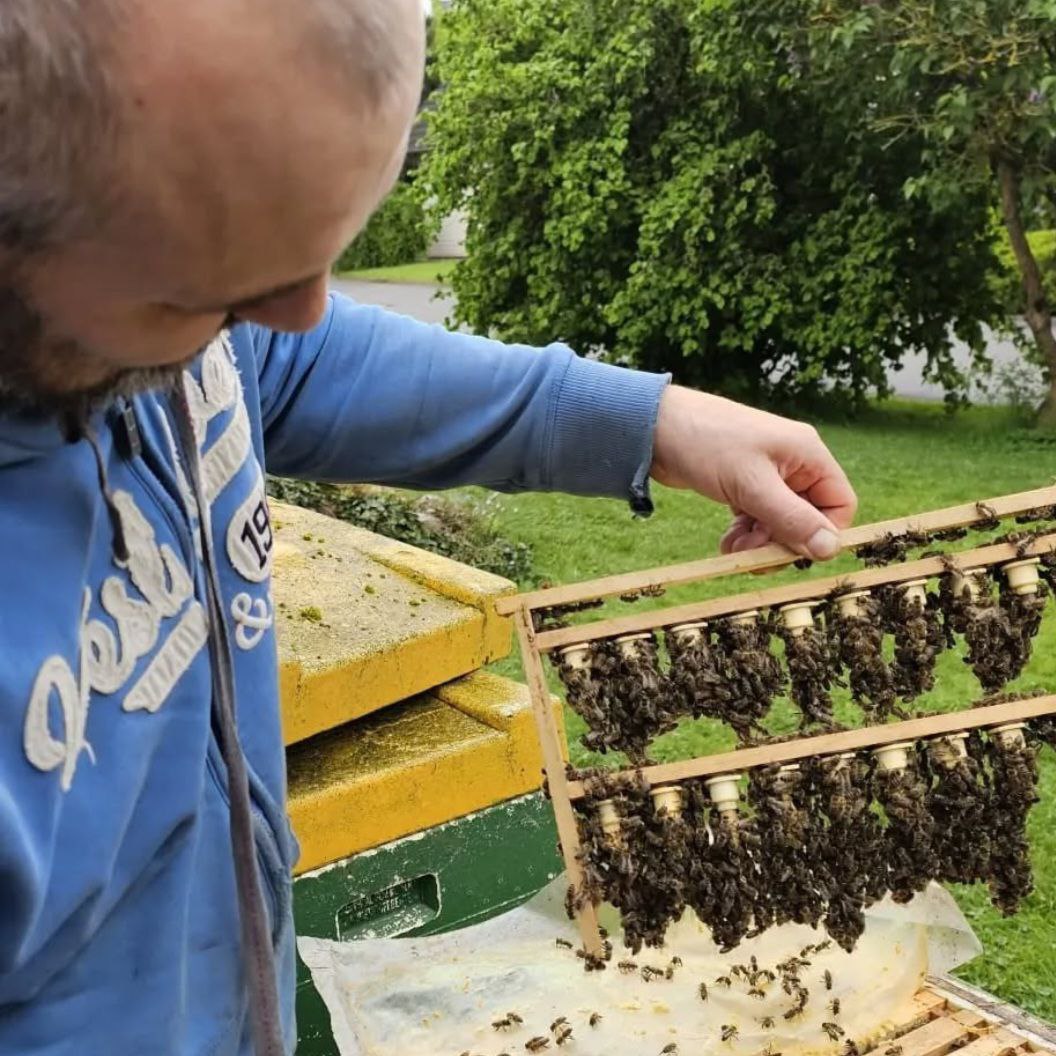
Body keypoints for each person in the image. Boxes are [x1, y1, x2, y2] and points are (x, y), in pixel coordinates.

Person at [0, 1, 857, 1053]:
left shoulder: (153, 308)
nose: (300, 311)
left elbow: (292, 359)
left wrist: (654, 423)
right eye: (217, 297)